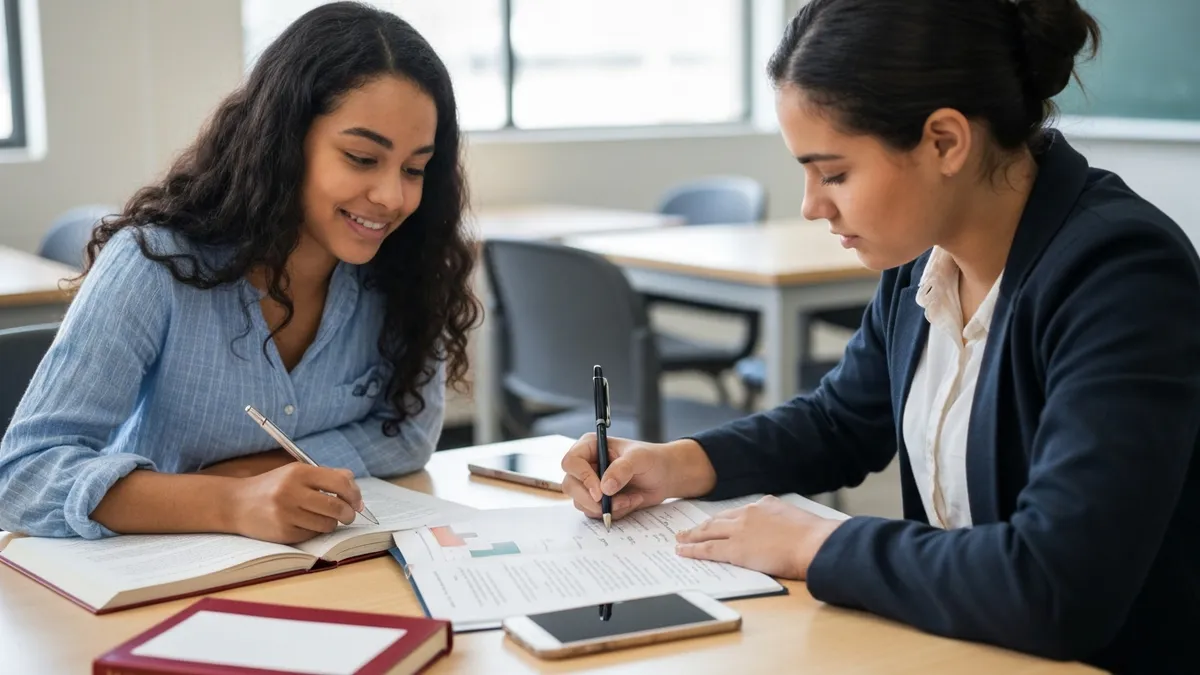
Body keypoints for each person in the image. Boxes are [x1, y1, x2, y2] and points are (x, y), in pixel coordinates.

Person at [561, 0, 1199, 671]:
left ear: (945, 142)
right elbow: (840, 420)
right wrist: (680, 462)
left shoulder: (1121, 272)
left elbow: (1057, 584)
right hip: (958, 650)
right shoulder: (924, 258)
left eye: (834, 173)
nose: (811, 205)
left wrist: (816, 544)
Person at [0, 2, 479, 545]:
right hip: (150, 586)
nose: (392, 196)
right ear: (285, 141)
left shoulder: (406, 272)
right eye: (362, 158)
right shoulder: (153, 265)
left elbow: (408, 434)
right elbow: (22, 477)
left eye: (414, 169)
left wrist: (260, 472)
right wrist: (227, 500)